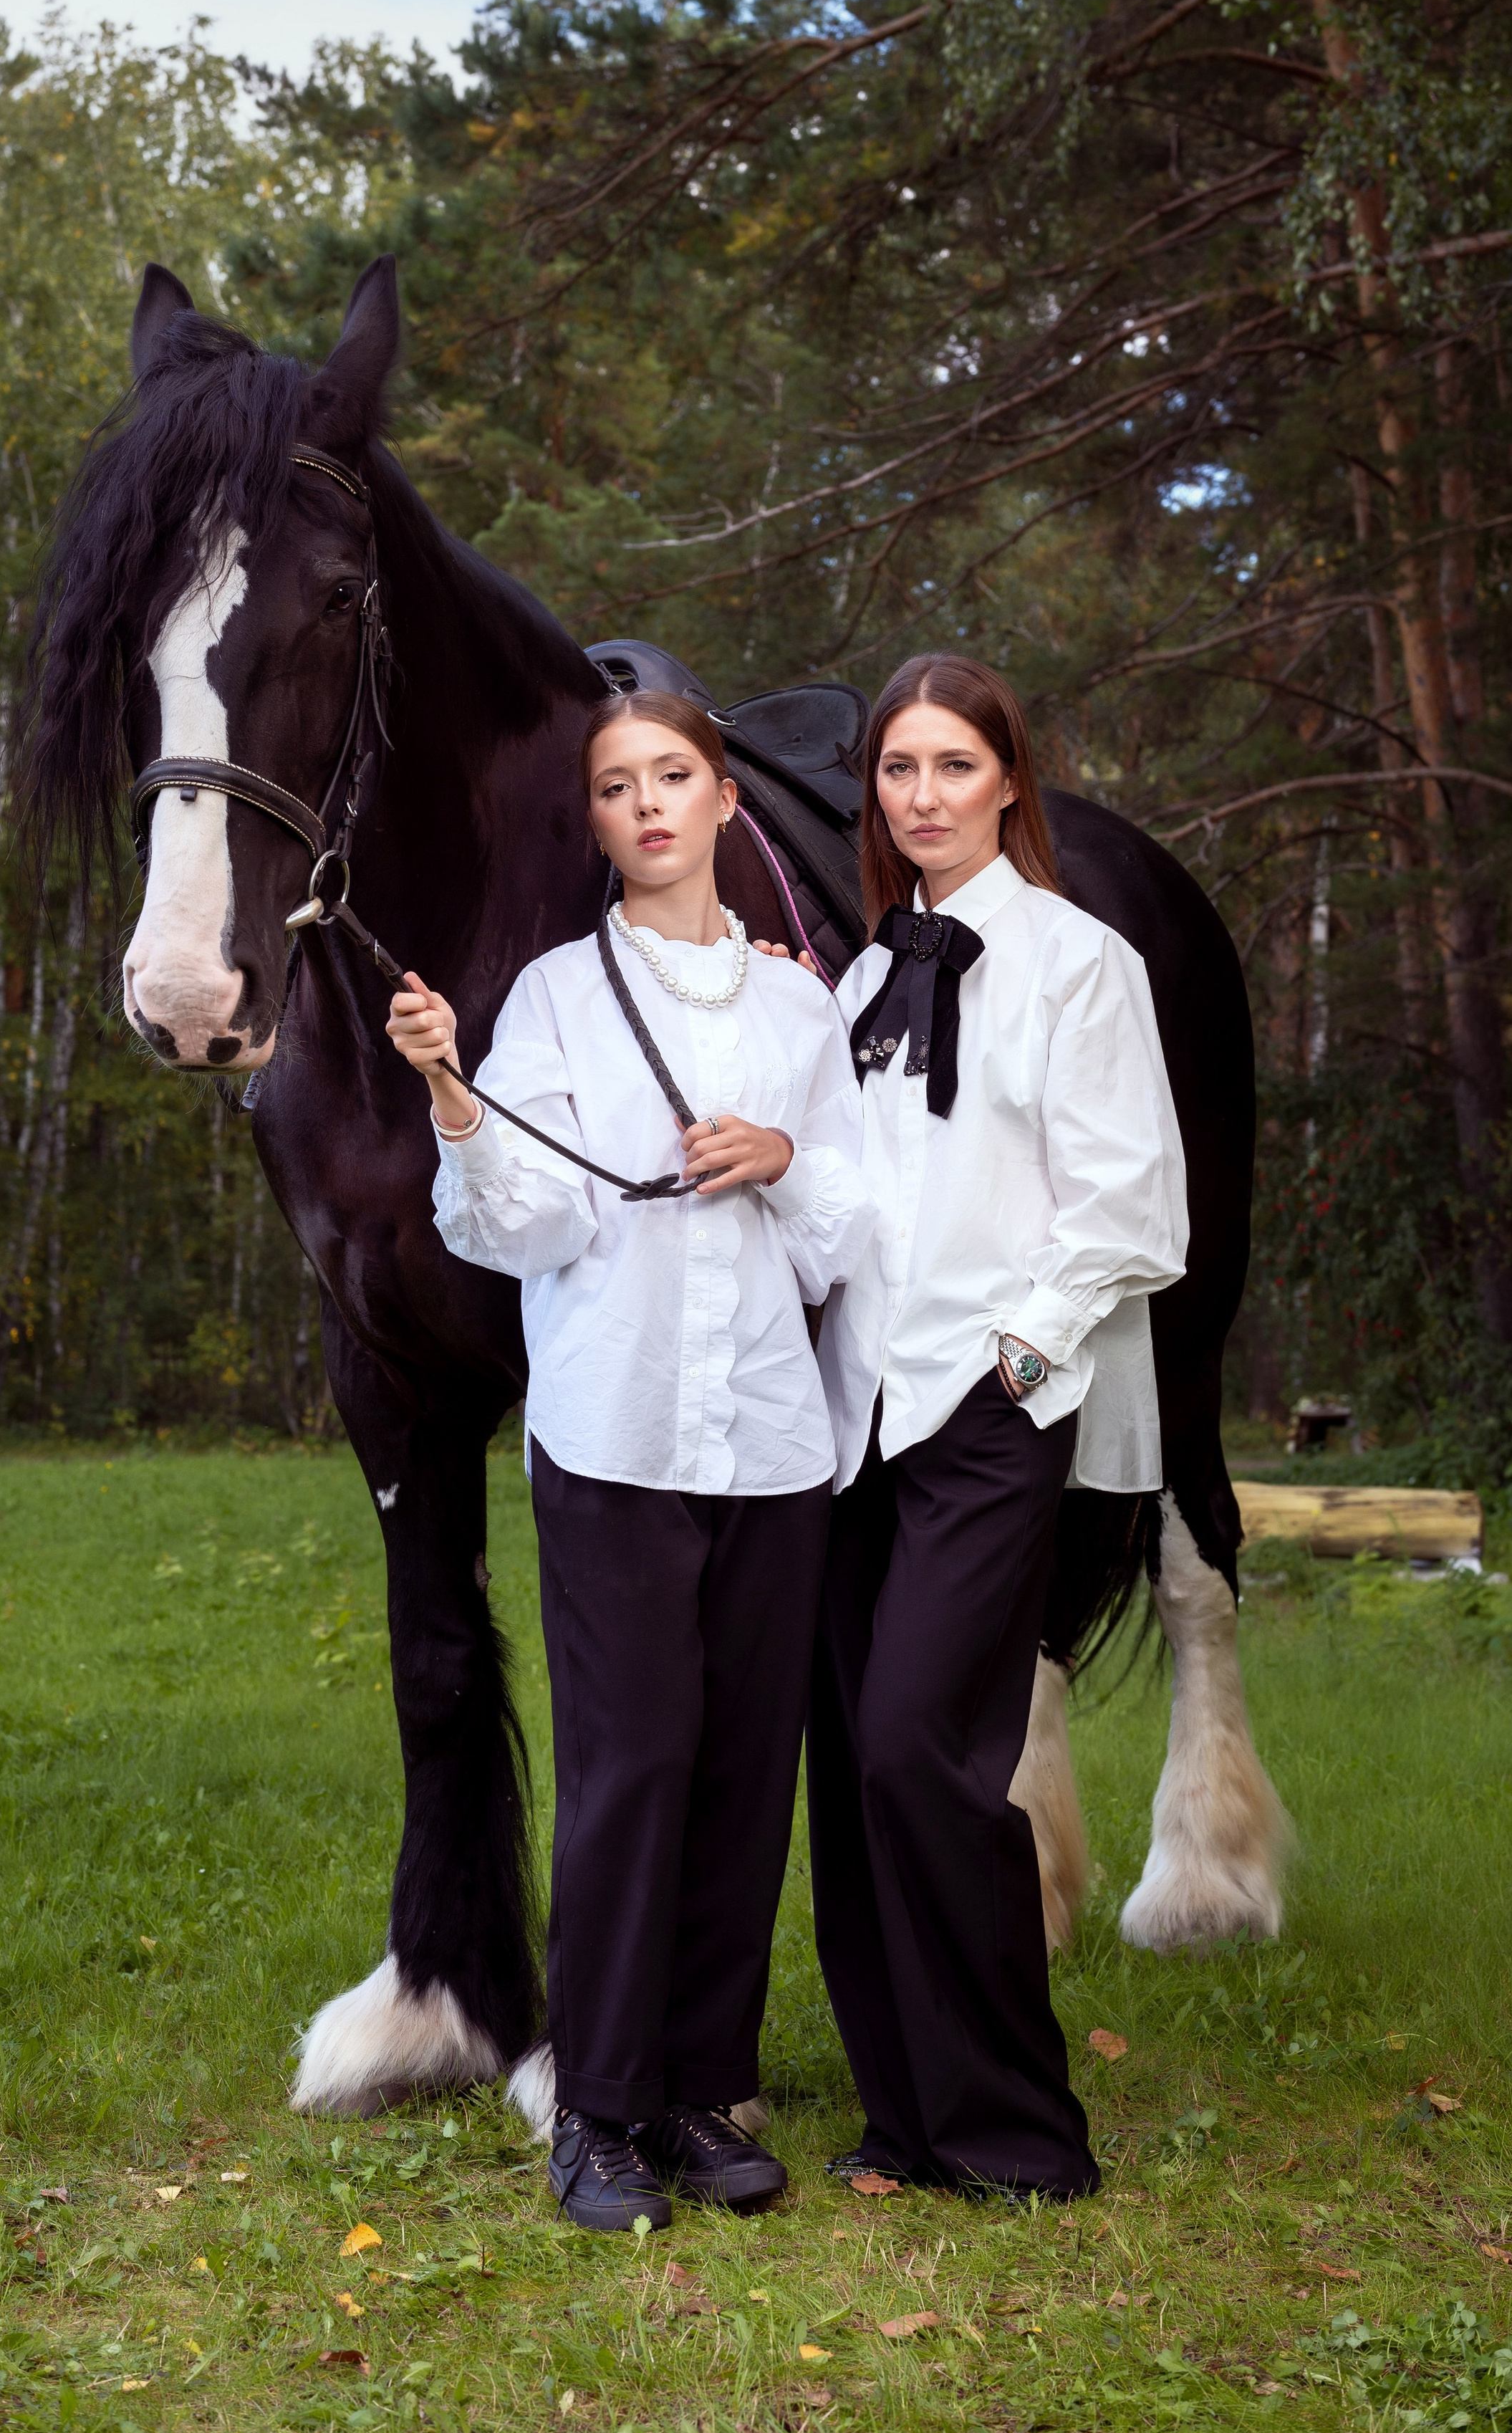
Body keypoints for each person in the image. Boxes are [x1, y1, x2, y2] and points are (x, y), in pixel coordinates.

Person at [385, 690, 875, 2233]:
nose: (648, 804)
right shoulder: (550, 1000)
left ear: (725, 798)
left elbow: (854, 1236)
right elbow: (522, 1225)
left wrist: (783, 1161)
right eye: (616, 785)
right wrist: (456, 1093)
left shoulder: (805, 1013)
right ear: (591, 819)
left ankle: (690, 2088)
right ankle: (593, 2107)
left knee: (742, 1774)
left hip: (774, 1446)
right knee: (631, 1766)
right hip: (612, 1439)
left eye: (673, 776)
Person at [809, 654, 1188, 2203]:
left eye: (951, 767)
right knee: (849, 1764)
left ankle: (1015, 2131)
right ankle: (901, 2117)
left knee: (923, 1749)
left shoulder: (1078, 963)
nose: (922, 797)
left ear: (1007, 779)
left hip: (985, 1409)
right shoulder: (858, 978)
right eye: (897, 771)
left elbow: (1128, 1208)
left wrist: (1017, 1372)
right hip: (854, 1425)